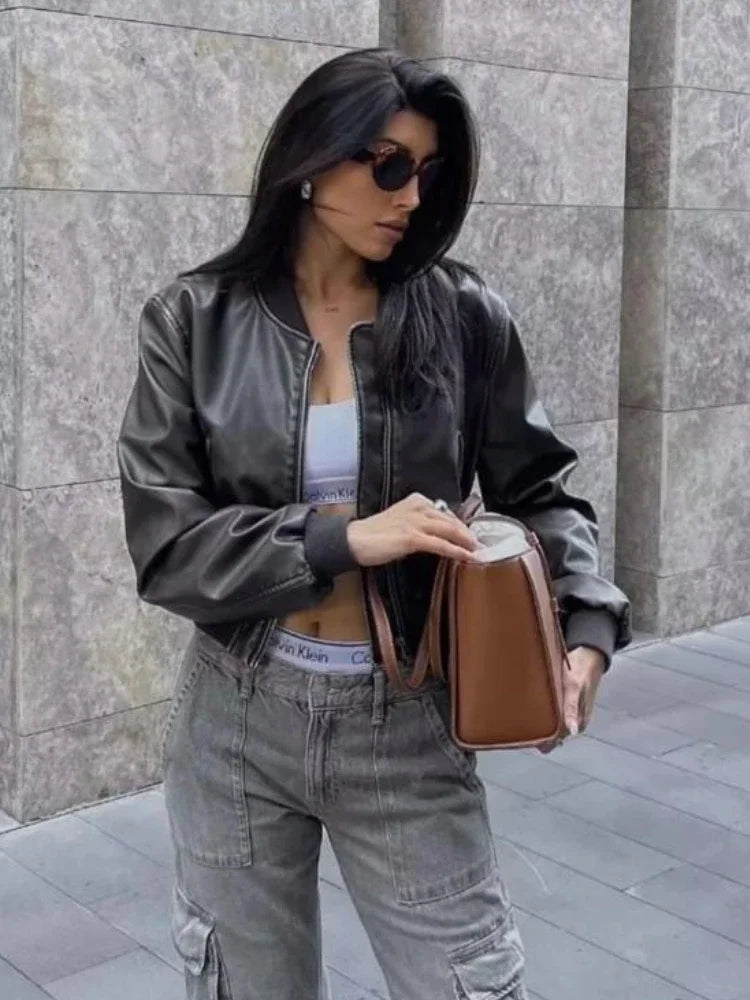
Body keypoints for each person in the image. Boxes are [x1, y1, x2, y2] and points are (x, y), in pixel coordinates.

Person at [116, 46, 631, 1000]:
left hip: (404, 714)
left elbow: (541, 489)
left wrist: (587, 628)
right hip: (236, 716)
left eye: (426, 172)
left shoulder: (463, 314)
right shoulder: (193, 320)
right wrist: (344, 536)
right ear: (312, 161)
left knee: (468, 981)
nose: (411, 196)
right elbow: (166, 543)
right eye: (388, 165)